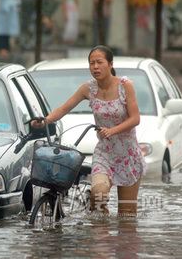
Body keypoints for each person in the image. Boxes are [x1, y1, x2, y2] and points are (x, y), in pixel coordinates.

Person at [31, 45, 146, 217]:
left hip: (128, 154)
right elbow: (63, 108)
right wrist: (45, 121)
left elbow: (135, 118)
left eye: (100, 62)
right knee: (98, 193)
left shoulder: (125, 86)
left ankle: (123, 243)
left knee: (127, 214)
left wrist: (113, 130)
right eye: (92, 63)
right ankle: (102, 232)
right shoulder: (88, 88)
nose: (95, 67)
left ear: (110, 64)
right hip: (105, 153)